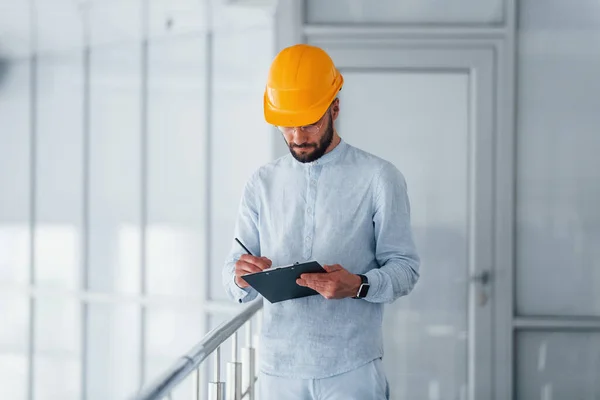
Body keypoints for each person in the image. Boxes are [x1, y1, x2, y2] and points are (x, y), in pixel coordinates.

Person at [222, 43, 420, 400]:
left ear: (336, 108)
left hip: (352, 367)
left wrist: (358, 285)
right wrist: (239, 276)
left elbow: (405, 269)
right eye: (287, 125)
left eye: (309, 123)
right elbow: (231, 274)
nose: (297, 137)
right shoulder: (260, 183)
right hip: (276, 369)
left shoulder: (379, 178)